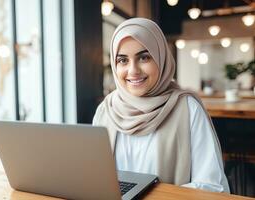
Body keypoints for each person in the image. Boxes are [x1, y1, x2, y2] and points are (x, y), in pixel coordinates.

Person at [93, 18, 229, 193]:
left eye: (144, 57)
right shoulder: (106, 110)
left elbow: (211, 185)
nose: (133, 70)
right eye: (123, 60)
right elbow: (95, 178)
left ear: (161, 58)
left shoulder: (187, 108)